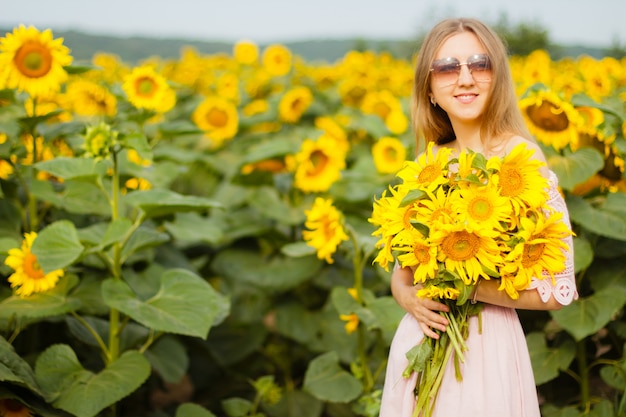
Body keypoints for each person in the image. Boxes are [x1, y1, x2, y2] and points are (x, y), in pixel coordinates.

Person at [378, 17, 577, 417]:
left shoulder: (521, 163)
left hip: (485, 354)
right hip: (419, 346)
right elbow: (402, 279)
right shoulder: (426, 167)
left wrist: (465, 286)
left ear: (496, 79)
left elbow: (557, 289)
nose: (465, 78)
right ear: (430, 90)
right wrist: (412, 302)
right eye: (448, 67)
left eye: (479, 64)